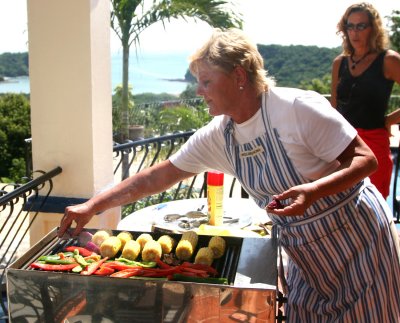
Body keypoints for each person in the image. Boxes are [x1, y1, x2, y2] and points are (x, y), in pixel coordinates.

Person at [59, 28, 400, 321]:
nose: (198, 91)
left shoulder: (296, 109)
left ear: (239, 76)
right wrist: (93, 206)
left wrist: (311, 191)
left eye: (206, 81)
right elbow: (155, 177)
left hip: (359, 247)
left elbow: (365, 159)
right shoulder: (220, 135)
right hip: (308, 261)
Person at [331, 2, 400, 199]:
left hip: (374, 147)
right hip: (343, 145)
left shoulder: (388, 60)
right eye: (350, 26)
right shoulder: (340, 63)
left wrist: (389, 120)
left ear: (373, 28)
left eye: (361, 26)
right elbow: (333, 109)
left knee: (373, 208)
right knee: (341, 208)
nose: (355, 32)